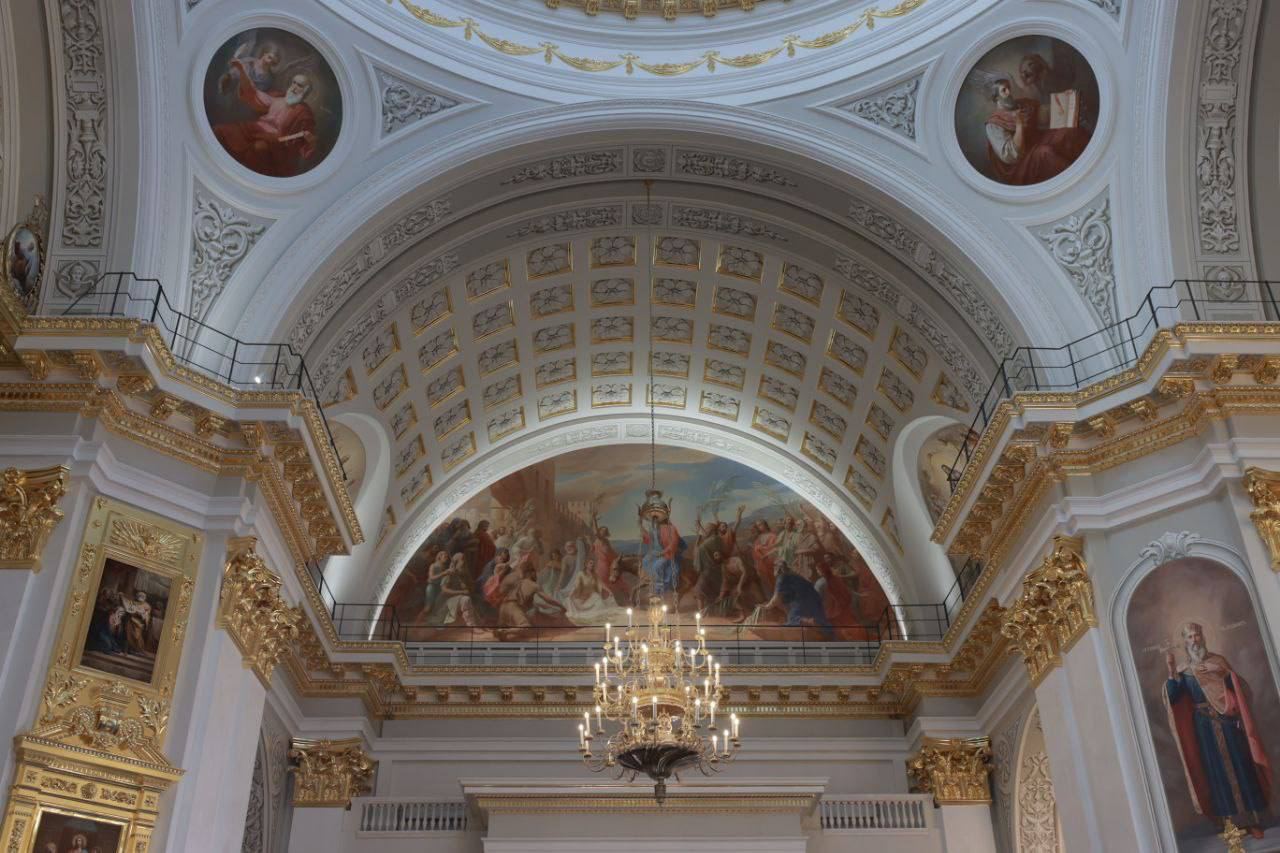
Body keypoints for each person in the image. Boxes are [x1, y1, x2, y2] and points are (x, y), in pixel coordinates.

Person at [1164, 621, 1269, 838]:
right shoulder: (1184, 671)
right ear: (1185, 642)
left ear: (1202, 637)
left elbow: (1241, 689)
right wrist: (1171, 673)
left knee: (1241, 766)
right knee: (1216, 772)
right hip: (1204, 728)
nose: (1194, 640)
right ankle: (1229, 824)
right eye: (1190, 637)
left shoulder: (1218, 662)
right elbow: (1174, 698)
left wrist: (1222, 672)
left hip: (1228, 723)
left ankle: (1253, 820)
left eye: (1197, 635)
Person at [213, 60, 319, 178]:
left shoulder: (304, 113)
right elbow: (253, 93)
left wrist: (310, 141)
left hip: (276, 144)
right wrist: (241, 70)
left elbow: (306, 140)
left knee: (258, 149)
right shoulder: (278, 98)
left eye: (299, 85)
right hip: (254, 129)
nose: (294, 87)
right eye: (293, 83)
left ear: (305, 90)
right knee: (220, 130)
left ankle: (241, 179)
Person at [983, 76, 1090, 186]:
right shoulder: (994, 124)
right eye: (1004, 90)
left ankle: (1089, 162)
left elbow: (1043, 115)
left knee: (1068, 132)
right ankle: (1079, 181)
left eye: (1009, 88)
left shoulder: (1021, 105)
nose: (1009, 92)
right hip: (1021, 163)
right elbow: (1012, 155)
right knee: (1045, 153)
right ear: (996, 98)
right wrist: (1019, 124)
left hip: (1038, 141)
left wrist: (1064, 100)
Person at [762, 561, 832, 640]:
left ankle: (809, 621)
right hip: (815, 600)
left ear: (779, 569)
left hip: (804, 601)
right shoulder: (794, 576)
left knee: (793, 619)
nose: (773, 569)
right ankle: (816, 625)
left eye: (775, 567)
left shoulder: (782, 578)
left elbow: (776, 598)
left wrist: (767, 606)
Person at [751, 520, 780, 593]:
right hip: (763, 566)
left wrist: (762, 548)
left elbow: (777, 548)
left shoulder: (772, 536)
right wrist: (756, 565)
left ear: (765, 525)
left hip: (772, 563)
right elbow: (755, 554)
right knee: (770, 584)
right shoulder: (758, 539)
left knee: (778, 581)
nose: (759, 527)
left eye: (760, 524)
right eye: (757, 526)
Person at [122, 591, 152, 656]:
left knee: (137, 637)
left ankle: (137, 650)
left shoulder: (147, 605)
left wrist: (142, 615)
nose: (140, 597)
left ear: (144, 597)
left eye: (142, 596)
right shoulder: (133, 602)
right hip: (131, 621)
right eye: (139, 595)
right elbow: (129, 609)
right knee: (128, 635)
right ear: (137, 596)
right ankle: (127, 650)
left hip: (139, 623)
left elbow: (147, 615)